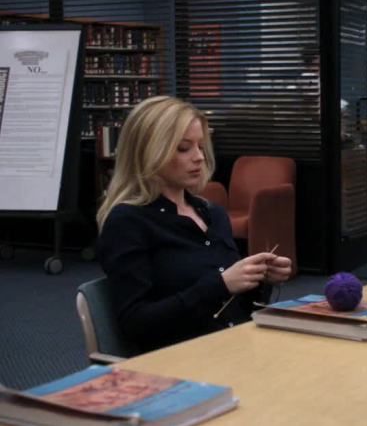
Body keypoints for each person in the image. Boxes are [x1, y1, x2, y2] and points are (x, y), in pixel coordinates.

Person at [96, 96, 292, 352]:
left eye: (201, 146)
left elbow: (235, 307)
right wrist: (221, 284)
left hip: (235, 346)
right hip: (181, 360)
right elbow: (136, 324)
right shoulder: (128, 222)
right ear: (149, 152)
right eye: (183, 148)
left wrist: (260, 279)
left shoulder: (213, 214)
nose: (199, 157)